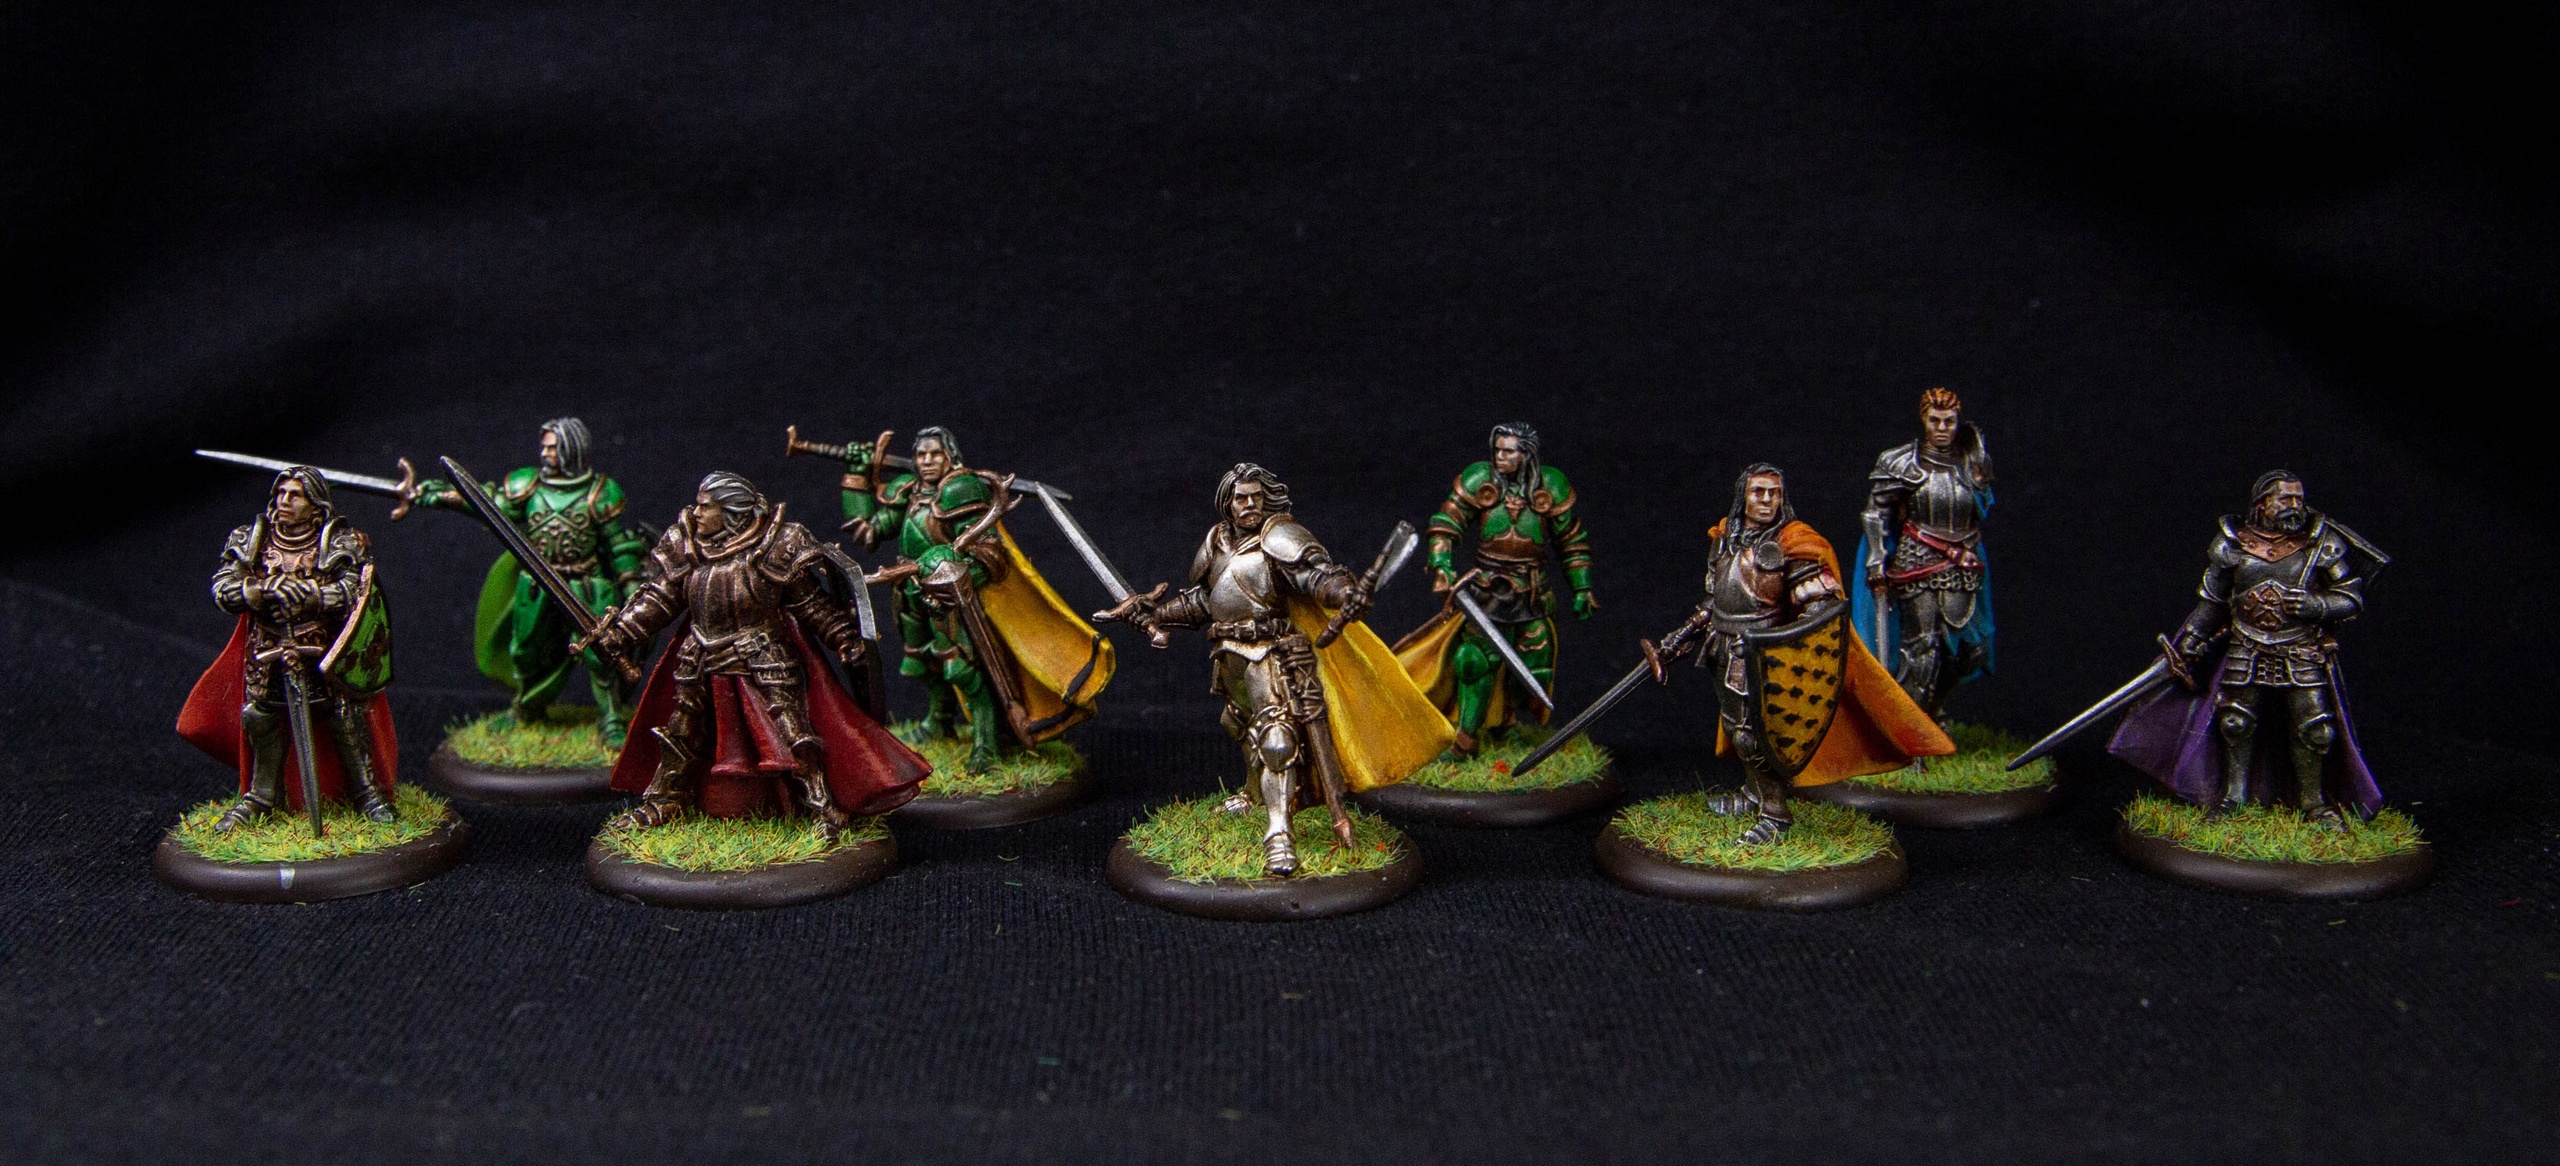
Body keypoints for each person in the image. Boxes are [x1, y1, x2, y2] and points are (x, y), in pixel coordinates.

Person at [1097, 464, 1452, 876]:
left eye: (1256, 496)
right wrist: (1156, 613)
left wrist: (1344, 592)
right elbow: (1205, 602)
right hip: (1226, 654)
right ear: (1227, 503)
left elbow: (1315, 578)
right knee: (1239, 725)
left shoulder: (1279, 538)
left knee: (1277, 739)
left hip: (1269, 652)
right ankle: (1254, 796)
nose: (1249, 505)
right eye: (1240, 498)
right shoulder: (1217, 542)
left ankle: (1279, 835)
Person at [587, 472, 927, 838]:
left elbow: (812, 604)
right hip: (699, 655)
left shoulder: (776, 546)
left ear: (732, 513)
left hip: (763, 655)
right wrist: (623, 632)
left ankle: (822, 806)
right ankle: (664, 801)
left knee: (795, 735)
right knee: (681, 733)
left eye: (705, 506)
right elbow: (660, 598)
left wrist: (844, 637)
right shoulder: (687, 546)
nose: (696, 512)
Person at [1655, 465, 1952, 843]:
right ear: (1743, 497)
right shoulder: (1725, 539)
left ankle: (1775, 814)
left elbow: (1821, 609)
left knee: (1755, 737)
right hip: (1723, 647)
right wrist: (1683, 635)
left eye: (1774, 493)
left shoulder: (1792, 545)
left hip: (1761, 654)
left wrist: (1775, 642)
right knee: (1735, 728)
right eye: (1759, 492)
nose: (1767, 500)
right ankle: (1752, 794)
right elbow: (1716, 600)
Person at [2109, 472, 2387, 828]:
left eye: (2299, 499)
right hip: (2246, 646)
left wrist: (2316, 605)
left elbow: (2350, 597)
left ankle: (2314, 804)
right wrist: (2192, 637)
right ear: (2262, 503)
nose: (2295, 506)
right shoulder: (2232, 544)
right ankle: (2232, 798)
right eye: (2285, 499)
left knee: (2316, 730)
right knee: (2235, 723)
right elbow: (2213, 601)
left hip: (2300, 650)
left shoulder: (2321, 544)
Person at [840, 427, 1111, 773]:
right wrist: (856, 477)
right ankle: (939, 721)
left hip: (949, 600)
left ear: (950, 456)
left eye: (935, 453)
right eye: (921, 454)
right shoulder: (910, 492)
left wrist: (950, 570)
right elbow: (866, 530)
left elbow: (989, 554)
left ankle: (986, 745)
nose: (927, 461)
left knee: (963, 670)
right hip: (908, 593)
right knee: (922, 662)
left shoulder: (960, 491)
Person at [182, 467, 399, 829]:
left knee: (343, 715)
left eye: (295, 494)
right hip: (267, 648)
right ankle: (261, 797)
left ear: (316, 505)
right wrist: (261, 591)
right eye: (280, 493)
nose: (284, 500)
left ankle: (366, 794)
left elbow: (356, 590)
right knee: (260, 716)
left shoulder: (340, 542)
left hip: (323, 648)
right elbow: (223, 588)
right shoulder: (251, 540)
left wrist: (313, 595)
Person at [411, 418, 647, 745]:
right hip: (537, 584)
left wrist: (631, 584)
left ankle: (610, 717)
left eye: (553, 447)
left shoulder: (598, 493)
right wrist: (443, 497)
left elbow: (617, 544)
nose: (545, 453)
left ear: (572, 449)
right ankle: (528, 708)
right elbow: (489, 506)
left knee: (602, 655)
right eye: (545, 447)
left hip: (584, 585)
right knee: (527, 651)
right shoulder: (530, 486)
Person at [1398, 422, 1596, 755]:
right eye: (1497, 450)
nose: (1500, 456)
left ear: (1526, 454)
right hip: (1486, 595)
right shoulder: (1481, 481)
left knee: (1533, 667)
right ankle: (1465, 739)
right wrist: (1442, 564)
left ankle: (1506, 723)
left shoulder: (1550, 487)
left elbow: (1572, 542)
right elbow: (1446, 523)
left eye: (1508, 451)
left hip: (1532, 596)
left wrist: (1582, 588)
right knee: (1473, 662)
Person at [1854, 387, 1995, 720]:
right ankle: (1912, 728)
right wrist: (1876, 561)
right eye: (1935, 420)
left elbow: (1981, 506)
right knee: (1923, 650)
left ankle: (1932, 708)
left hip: (1962, 564)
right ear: (1924, 419)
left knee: (1971, 652)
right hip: (1916, 561)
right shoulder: (1902, 461)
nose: (1942, 428)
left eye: (1949, 421)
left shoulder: (1970, 461)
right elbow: (1875, 511)